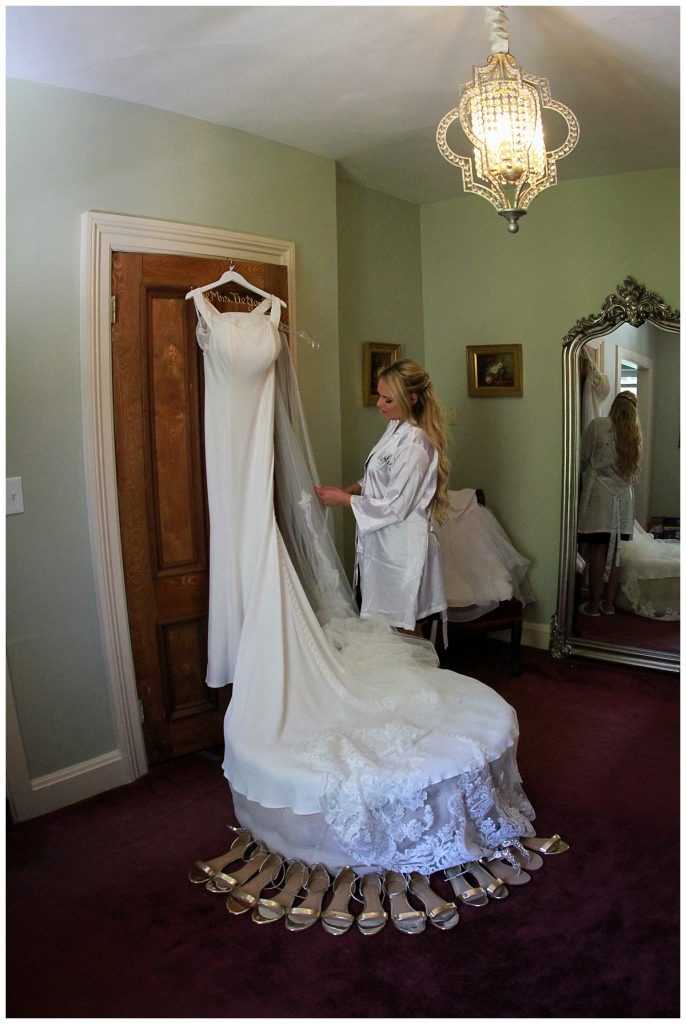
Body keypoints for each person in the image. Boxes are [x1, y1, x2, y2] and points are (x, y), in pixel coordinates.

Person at [315, 359, 449, 636]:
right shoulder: (395, 428)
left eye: (387, 399)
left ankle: (415, 677)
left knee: (403, 622)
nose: (378, 404)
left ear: (411, 398)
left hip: (403, 548)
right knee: (384, 623)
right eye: (379, 395)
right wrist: (354, 488)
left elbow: (396, 505)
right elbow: (382, 475)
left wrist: (344, 501)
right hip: (384, 544)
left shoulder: (415, 444)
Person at [577, 390, 642, 616]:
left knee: (597, 552)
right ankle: (609, 604)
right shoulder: (634, 435)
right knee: (616, 554)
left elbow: (582, 457)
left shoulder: (598, 426)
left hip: (600, 500)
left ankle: (593, 605)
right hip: (623, 501)